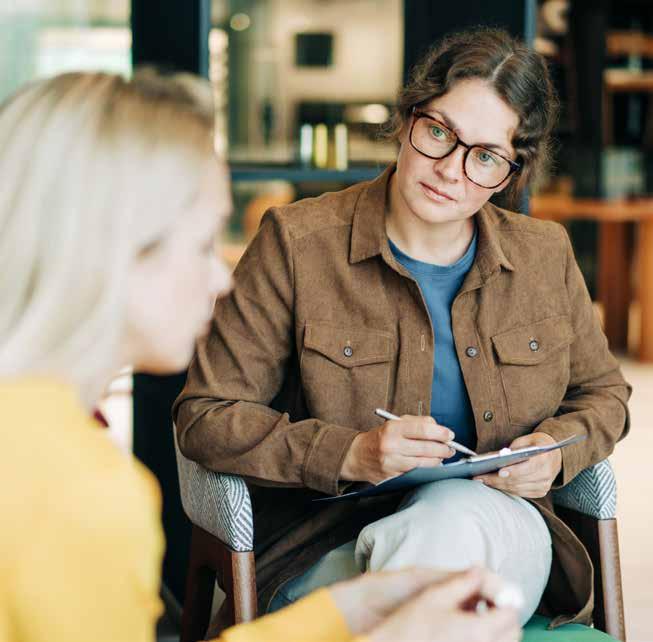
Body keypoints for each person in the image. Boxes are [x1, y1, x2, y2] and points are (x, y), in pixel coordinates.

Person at [0, 69, 521, 642]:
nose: (220, 280)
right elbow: (209, 414)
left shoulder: (39, 441)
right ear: (107, 249)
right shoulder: (83, 494)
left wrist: (341, 615)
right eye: (202, 244)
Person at [174, 26, 631, 632]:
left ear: (511, 172)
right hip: (327, 548)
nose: (451, 171)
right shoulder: (297, 244)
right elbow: (206, 415)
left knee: (452, 517)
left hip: (499, 532)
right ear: (408, 117)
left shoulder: (544, 255)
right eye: (439, 132)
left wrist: (555, 451)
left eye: (485, 156)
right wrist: (351, 453)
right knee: (441, 580)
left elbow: (606, 396)